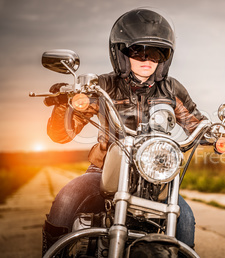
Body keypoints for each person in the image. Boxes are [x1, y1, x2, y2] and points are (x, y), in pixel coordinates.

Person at [42, 8, 206, 255]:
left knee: (186, 219)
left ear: (165, 57)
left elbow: (196, 121)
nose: (148, 59)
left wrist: (217, 132)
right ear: (121, 53)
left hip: (153, 178)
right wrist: (63, 106)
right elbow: (61, 134)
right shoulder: (103, 85)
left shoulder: (172, 89)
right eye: (139, 50)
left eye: (157, 52)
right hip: (104, 173)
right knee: (66, 199)